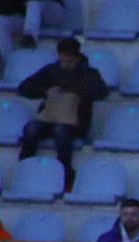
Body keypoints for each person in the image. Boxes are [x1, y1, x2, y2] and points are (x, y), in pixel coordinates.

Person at [17, 37, 109, 189]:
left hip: (75, 121)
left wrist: (75, 91)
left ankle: (65, 173)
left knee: (61, 132)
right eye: (62, 61)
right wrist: (45, 91)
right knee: (30, 129)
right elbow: (24, 88)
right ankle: (25, 169)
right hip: (50, 117)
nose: (64, 65)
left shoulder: (89, 74)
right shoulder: (51, 70)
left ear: (77, 58)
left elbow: (101, 92)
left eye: (68, 62)